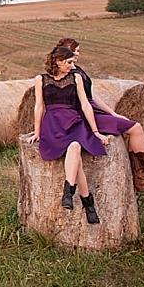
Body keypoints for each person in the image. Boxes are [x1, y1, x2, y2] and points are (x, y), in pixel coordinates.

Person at [55, 37, 144, 192]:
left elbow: (92, 95)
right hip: (85, 115)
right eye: (74, 51)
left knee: (133, 127)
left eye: (77, 51)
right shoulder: (68, 75)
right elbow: (79, 102)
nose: (77, 54)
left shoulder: (76, 70)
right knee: (135, 128)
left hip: (93, 109)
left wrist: (113, 113)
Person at [25, 46, 108, 224]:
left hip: (73, 121)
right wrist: (37, 131)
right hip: (53, 123)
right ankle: (88, 202)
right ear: (58, 61)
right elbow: (39, 106)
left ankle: (68, 191)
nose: (72, 65)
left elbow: (85, 105)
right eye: (69, 62)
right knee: (76, 160)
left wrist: (95, 132)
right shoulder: (41, 79)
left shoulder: (75, 77)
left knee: (76, 145)